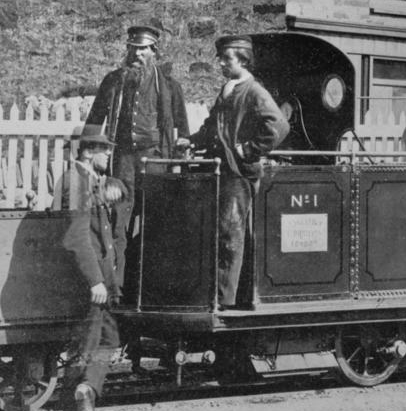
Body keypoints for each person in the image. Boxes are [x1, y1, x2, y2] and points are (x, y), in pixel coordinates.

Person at [84, 25, 189, 280]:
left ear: (154, 51)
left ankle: (151, 281)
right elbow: (94, 121)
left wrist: (177, 160)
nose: (137, 54)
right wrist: (91, 155)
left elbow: (182, 129)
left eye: (143, 49)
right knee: (119, 220)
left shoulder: (169, 86)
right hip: (123, 161)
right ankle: (117, 285)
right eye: (133, 48)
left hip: (155, 160)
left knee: (156, 220)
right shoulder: (113, 81)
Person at [189, 36, 287, 309]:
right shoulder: (227, 89)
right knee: (220, 232)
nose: (220, 62)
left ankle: (226, 299)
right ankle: (223, 293)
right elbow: (212, 127)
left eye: (226, 58)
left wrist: (250, 149)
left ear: (242, 60)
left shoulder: (254, 91)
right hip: (221, 170)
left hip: (239, 173)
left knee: (229, 233)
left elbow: (278, 126)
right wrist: (193, 140)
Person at [58, 125, 124, 411]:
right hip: (90, 281)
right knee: (93, 341)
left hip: (99, 278)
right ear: (87, 151)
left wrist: (116, 186)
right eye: (104, 149)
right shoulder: (78, 182)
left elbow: (119, 188)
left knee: (102, 339)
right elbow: (76, 237)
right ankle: (84, 394)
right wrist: (95, 280)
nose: (110, 153)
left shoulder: (88, 179)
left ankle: (74, 408)